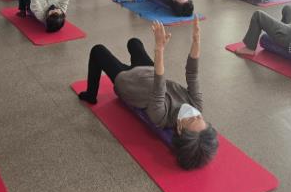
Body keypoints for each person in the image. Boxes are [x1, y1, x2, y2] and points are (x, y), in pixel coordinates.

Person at [78, 17, 219, 169]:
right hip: (151, 71)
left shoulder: (161, 117)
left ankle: (91, 95)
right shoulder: (196, 105)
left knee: (97, 50)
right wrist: (196, 41)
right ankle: (137, 55)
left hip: (129, 81)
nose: (194, 113)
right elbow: (192, 74)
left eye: (191, 119)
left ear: (179, 128)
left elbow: (159, 85)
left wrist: (159, 49)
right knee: (134, 42)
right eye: (199, 117)